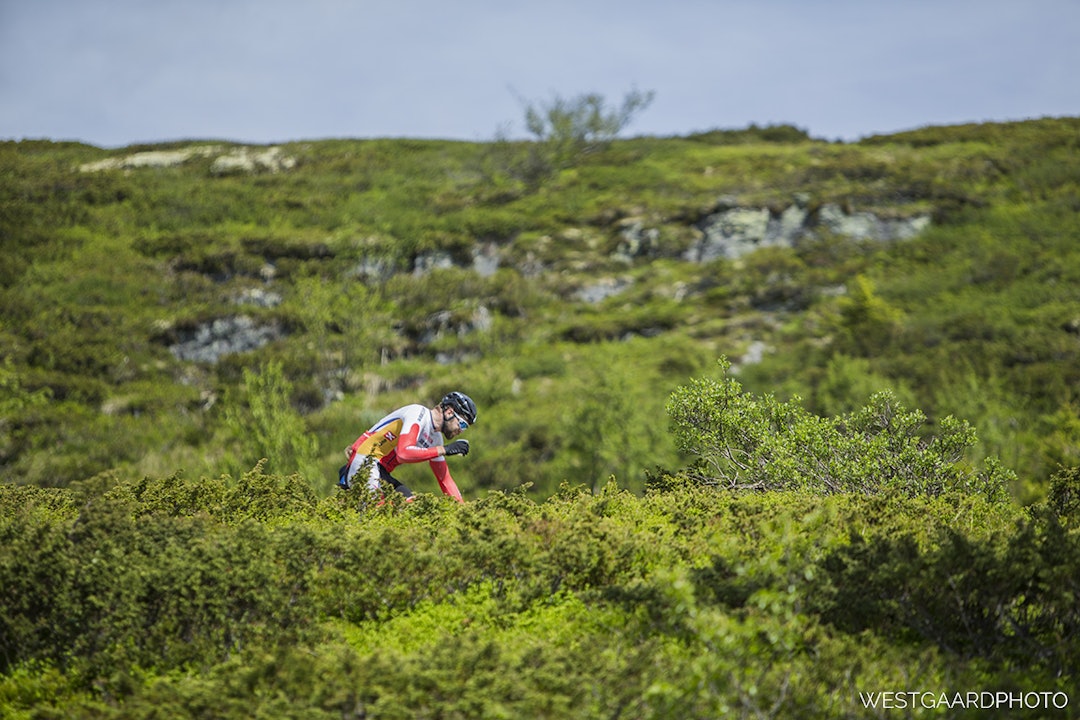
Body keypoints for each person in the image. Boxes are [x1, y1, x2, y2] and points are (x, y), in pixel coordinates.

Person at [338, 391, 476, 502]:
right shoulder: (418, 413)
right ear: (449, 412)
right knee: (392, 512)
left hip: (380, 471)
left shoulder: (436, 438)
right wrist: (444, 450)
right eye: (462, 424)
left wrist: (462, 512)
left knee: (413, 505)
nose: (461, 431)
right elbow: (404, 454)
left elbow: (444, 479)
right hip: (364, 461)